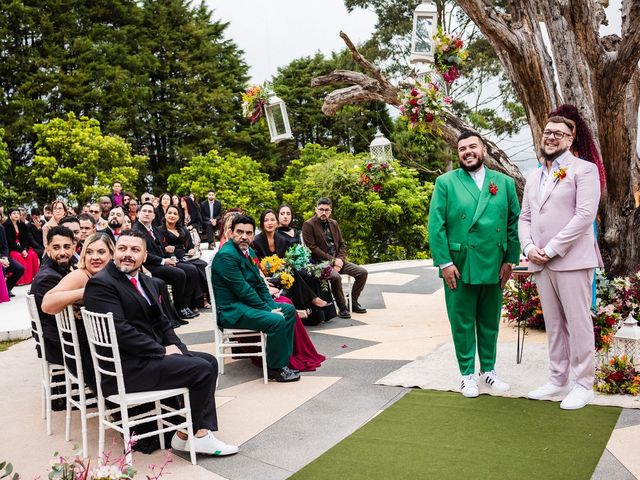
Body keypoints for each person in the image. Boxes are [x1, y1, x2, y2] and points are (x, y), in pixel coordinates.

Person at [83, 230, 238, 456]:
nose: (128, 254)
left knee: (209, 361)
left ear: (145, 256)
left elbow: (164, 324)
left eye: (135, 250)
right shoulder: (101, 284)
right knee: (201, 369)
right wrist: (162, 351)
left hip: (144, 359)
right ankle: (200, 435)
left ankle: (185, 435)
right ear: (114, 251)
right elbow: (119, 331)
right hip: (124, 368)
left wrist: (181, 351)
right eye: (123, 248)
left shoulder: (145, 281)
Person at [428, 131, 520, 398]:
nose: (467, 152)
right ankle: (467, 375)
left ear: (484, 149)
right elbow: (436, 226)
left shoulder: (503, 182)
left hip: (495, 263)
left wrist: (510, 260)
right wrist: (444, 263)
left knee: (489, 320)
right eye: (461, 149)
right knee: (463, 321)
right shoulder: (445, 182)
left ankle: (488, 371)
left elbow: (513, 223)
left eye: (472, 147)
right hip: (459, 264)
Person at [519, 116, 603, 410]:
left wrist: (552, 248)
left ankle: (583, 384)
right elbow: (525, 217)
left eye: (558, 133)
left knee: (578, 323)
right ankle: (557, 379)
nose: (551, 137)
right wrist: (529, 247)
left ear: (570, 139)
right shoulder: (533, 175)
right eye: (547, 132)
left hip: (571, 260)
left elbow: (584, 216)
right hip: (540, 262)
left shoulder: (584, 170)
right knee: (554, 324)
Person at [211, 215, 299, 382]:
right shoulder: (226, 256)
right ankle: (275, 369)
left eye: (249, 233)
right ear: (231, 232)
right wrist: (269, 310)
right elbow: (243, 290)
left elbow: (259, 283)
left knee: (288, 310)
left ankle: (282, 360)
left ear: (253, 234)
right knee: (276, 320)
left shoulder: (248, 250)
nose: (244, 236)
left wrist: (270, 304)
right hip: (232, 310)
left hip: (245, 304)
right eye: (240, 232)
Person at [548, 104, 606, 312]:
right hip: (550, 236)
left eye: (567, 126)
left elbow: (586, 211)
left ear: (575, 131)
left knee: (579, 295)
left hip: (579, 231)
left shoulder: (586, 164)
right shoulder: (546, 163)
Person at [42, 232, 115, 390]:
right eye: (89, 252)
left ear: (112, 254)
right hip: (88, 357)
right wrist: (86, 292)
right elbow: (47, 304)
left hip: (105, 351)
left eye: (101, 252)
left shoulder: (111, 276)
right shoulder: (82, 275)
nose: (94, 257)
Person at [253, 209, 330, 318]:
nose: (269, 223)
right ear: (262, 223)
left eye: (272, 220)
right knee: (293, 273)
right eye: (266, 220)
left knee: (304, 273)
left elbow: (286, 260)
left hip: (281, 273)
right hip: (266, 277)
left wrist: (284, 263)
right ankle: (313, 300)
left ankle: (311, 310)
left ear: (277, 223)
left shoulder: (282, 240)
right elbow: (257, 264)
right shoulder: (256, 241)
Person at [302, 198, 368, 319]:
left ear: (330, 211)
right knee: (335, 277)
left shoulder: (334, 223)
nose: (323, 212)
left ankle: (352, 302)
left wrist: (340, 261)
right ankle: (342, 307)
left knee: (362, 272)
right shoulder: (308, 224)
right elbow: (313, 248)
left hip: (338, 261)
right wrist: (333, 261)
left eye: (326, 210)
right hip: (320, 264)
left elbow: (342, 244)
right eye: (321, 209)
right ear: (316, 209)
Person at [133, 202, 198, 320]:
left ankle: (186, 305)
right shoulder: (137, 230)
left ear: (154, 216)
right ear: (138, 214)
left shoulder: (154, 229)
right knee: (179, 274)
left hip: (162, 261)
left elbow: (164, 247)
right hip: (148, 266)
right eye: (144, 211)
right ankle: (179, 309)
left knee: (192, 270)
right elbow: (144, 254)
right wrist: (164, 261)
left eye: (150, 212)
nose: (147, 214)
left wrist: (171, 257)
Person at [30, 226, 76, 365]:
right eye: (56, 247)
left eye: (66, 247)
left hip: (60, 337)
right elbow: (67, 318)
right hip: (58, 345)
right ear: (47, 248)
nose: (62, 252)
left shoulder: (61, 268)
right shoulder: (48, 278)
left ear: (74, 247)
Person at [160, 205, 210, 309]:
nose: (172, 216)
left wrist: (191, 250)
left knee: (204, 265)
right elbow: (159, 247)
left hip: (185, 256)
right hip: (171, 257)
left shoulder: (182, 230)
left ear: (178, 217)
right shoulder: (159, 230)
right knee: (193, 269)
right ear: (165, 215)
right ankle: (192, 303)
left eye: (175, 214)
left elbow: (190, 247)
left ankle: (203, 299)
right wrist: (166, 249)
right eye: (170, 213)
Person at [3, 207, 40, 285]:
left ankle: (32, 278)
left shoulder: (22, 224)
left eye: (18, 213)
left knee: (32, 254)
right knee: (18, 256)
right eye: (14, 213)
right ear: (10, 215)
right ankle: (19, 281)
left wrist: (25, 249)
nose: (16, 215)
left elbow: (25, 238)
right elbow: (10, 242)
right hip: (12, 247)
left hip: (22, 246)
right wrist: (21, 250)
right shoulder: (6, 225)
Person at [0, 224, 23, 298]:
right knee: (2, 268)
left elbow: (5, 246)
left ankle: (6, 289)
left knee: (19, 269)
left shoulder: (1, 228)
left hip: (3, 256)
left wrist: (5, 257)